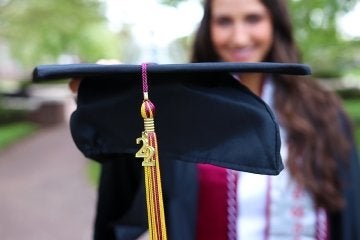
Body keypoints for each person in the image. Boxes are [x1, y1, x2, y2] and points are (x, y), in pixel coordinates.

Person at [70, 0, 360, 239]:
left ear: (275, 23)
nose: (239, 37)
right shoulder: (182, 109)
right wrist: (114, 105)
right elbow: (133, 173)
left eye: (253, 18)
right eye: (224, 21)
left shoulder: (322, 112)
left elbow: (349, 210)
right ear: (207, 29)